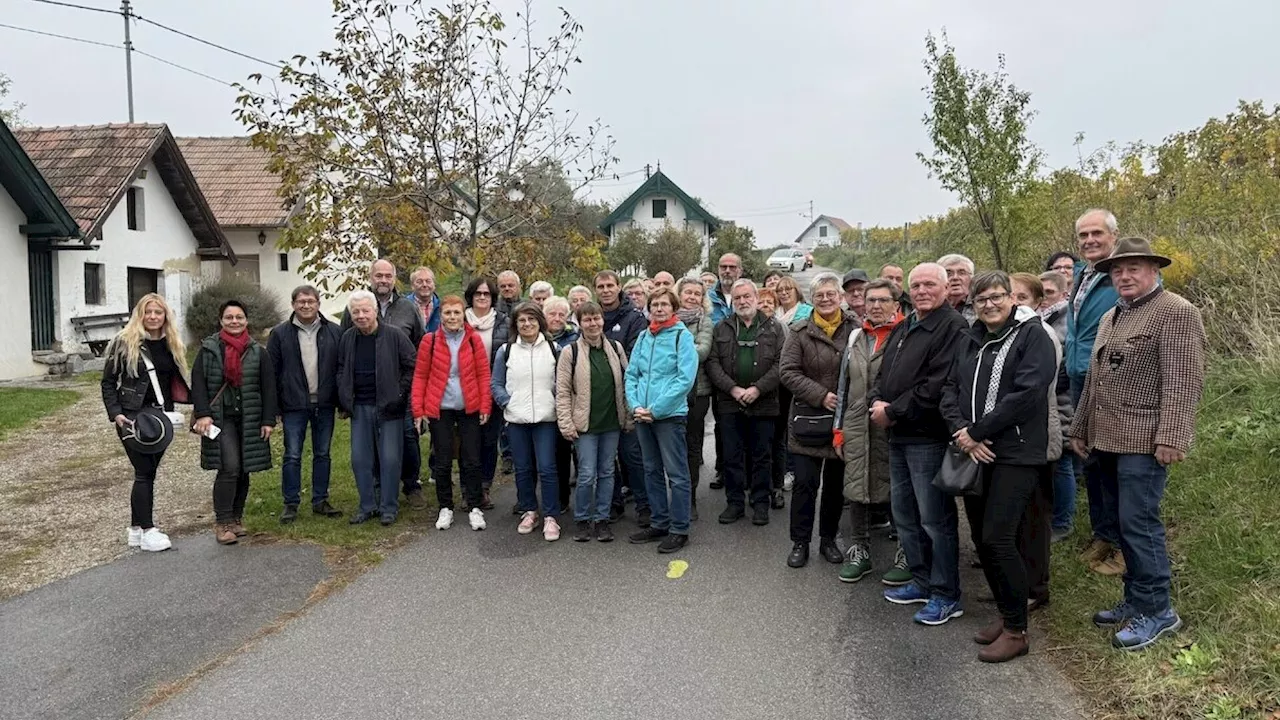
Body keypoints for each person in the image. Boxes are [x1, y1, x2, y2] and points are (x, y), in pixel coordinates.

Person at [1070, 237, 1206, 652]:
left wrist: (1172, 436)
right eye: (1117, 270)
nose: (1124, 276)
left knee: (1139, 523)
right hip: (1106, 438)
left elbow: (1184, 381)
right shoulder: (1112, 315)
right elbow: (1093, 380)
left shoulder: (1177, 312)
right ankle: (1136, 599)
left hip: (1145, 441)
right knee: (1120, 522)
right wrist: (1079, 427)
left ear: (1153, 271)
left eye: (1133, 269)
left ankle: (1160, 611)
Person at [940, 271, 1057, 662]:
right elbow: (950, 389)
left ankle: (1017, 631)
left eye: (996, 297)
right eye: (981, 299)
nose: (988, 304)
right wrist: (961, 432)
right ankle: (1008, 613)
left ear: (1011, 298)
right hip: (974, 450)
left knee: (998, 537)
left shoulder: (1032, 335)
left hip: (1015, 453)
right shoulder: (971, 337)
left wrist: (977, 431)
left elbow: (1027, 394)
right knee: (981, 537)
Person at [870, 263, 969, 625]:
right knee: (906, 517)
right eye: (917, 285)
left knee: (935, 520)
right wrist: (878, 401)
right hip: (898, 435)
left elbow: (938, 384)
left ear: (945, 288)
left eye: (930, 284)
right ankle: (922, 580)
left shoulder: (952, 327)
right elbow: (885, 373)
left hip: (927, 436)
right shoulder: (907, 324)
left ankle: (946, 594)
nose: (923, 290)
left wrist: (892, 411)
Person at [101, 293, 190, 552]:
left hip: (160, 419)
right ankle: (149, 530)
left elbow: (175, 381)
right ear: (140, 314)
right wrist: (116, 413)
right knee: (143, 472)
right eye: (148, 312)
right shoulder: (123, 342)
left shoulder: (170, 343)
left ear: (165, 316)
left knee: (148, 473)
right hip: (131, 416)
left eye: (158, 312)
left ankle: (136, 529)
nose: (153, 317)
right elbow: (108, 382)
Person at [834, 279, 907, 584]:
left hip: (893, 424)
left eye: (883, 300)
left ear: (896, 304)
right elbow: (843, 385)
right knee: (856, 486)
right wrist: (838, 428)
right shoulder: (855, 337)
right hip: (855, 421)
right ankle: (859, 549)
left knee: (897, 488)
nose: (876, 306)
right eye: (870, 300)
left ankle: (906, 552)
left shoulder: (906, 335)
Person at [781, 272, 856, 568]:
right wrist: (821, 395)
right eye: (820, 295)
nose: (826, 299)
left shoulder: (856, 329)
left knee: (836, 486)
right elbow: (787, 371)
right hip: (808, 420)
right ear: (812, 299)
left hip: (843, 420)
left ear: (840, 297)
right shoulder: (799, 331)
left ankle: (828, 539)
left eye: (831, 294)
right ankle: (800, 542)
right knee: (805, 484)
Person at [340, 259, 427, 509]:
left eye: (388, 276)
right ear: (371, 277)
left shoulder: (407, 308)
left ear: (394, 278)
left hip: (399, 390)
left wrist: (404, 388)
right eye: (378, 275)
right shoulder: (355, 307)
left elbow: (418, 345)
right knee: (368, 449)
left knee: (407, 438)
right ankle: (377, 489)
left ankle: (411, 486)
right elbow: (346, 351)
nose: (383, 280)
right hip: (365, 396)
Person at [1065, 209, 1124, 575]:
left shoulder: (1123, 274)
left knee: (1116, 463)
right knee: (1091, 460)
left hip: (1108, 377)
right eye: (1084, 235)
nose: (1089, 240)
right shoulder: (1081, 273)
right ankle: (1103, 534)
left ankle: (1122, 545)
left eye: (1096, 233)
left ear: (1113, 236)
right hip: (1077, 374)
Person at [192, 300, 278, 545]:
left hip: (249, 416)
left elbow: (268, 387)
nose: (234, 321)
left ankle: (237, 519)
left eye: (239, 317)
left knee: (244, 467)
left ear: (246, 320)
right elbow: (198, 383)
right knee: (229, 466)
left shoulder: (258, 351)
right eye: (229, 317)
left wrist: (268, 419)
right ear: (221, 321)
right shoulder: (209, 349)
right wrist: (202, 413)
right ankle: (223, 522)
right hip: (221, 418)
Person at [625, 288, 699, 553]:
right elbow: (632, 374)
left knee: (677, 474)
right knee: (651, 470)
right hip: (642, 415)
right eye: (654, 304)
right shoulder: (645, 336)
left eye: (664, 304)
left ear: (673, 308)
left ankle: (679, 529)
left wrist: (655, 409)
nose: (658, 308)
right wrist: (635, 405)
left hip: (669, 416)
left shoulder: (682, 337)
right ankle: (659, 522)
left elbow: (684, 379)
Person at [706, 279, 784, 526]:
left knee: (762, 456)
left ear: (756, 298)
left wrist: (758, 388)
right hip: (730, 403)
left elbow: (781, 363)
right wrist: (733, 388)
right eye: (737, 298)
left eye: (747, 296)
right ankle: (735, 503)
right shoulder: (722, 328)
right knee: (732, 454)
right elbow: (712, 363)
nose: (742, 301)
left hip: (765, 402)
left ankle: (760, 503)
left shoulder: (775, 328)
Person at [411, 295, 492, 532]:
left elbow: (483, 375)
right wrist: (419, 409)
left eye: (457, 313)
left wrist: (485, 405)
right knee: (443, 461)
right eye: (448, 313)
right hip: (441, 408)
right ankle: (445, 506)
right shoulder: (430, 341)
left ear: (463, 314)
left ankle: (475, 506)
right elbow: (421, 376)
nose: (452, 317)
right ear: (442, 316)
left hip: (469, 407)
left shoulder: (473, 340)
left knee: (472, 460)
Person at [267, 285, 344, 523]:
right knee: (292, 455)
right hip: (293, 405)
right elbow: (272, 372)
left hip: (325, 403)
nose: (306, 305)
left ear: (318, 304)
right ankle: (291, 503)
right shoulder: (279, 334)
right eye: (301, 302)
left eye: (311, 301)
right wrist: (275, 408)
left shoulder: (334, 331)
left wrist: (342, 402)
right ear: (293, 305)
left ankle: (320, 499)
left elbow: (341, 369)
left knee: (322, 453)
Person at [556, 301, 631, 543]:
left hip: (611, 422)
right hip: (585, 424)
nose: (593, 323)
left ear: (603, 320)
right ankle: (581, 519)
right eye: (587, 319)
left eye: (596, 318)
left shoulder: (616, 348)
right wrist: (566, 423)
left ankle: (602, 519)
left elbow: (627, 385)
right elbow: (563, 390)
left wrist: (628, 416)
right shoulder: (571, 352)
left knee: (607, 471)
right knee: (587, 474)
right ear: (579, 323)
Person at [1012, 273, 1075, 545]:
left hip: (1057, 402)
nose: (1015, 302)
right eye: (1010, 295)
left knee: (1060, 462)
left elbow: (1060, 368)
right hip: (1044, 404)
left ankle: (1061, 521)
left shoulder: (1051, 326)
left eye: (1021, 296)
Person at [492, 303, 563, 541]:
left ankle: (551, 515)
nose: (527, 324)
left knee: (547, 467)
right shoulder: (507, 350)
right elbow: (496, 383)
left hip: (546, 418)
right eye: (522, 320)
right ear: (515, 324)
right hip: (517, 419)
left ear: (540, 322)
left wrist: (555, 403)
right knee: (522, 468)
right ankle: (529, 510)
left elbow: (562, 383)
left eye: (532, 320)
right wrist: (507, 402)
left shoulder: (554, 348)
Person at [595, 269, 651, 525]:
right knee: (606, 458)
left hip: (627, 396)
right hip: (599, 398)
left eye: (610, 285)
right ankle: (614, 503)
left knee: (632, 455)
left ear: (619, 288)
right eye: (601, 286)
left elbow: (633, 358)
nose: (605, 290)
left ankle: (644, 505)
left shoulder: (635, 319)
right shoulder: (590, 316)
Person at [465, 276, 509, 509]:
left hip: (491, 388)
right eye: (478, 294)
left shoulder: (503, 322)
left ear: (493, 298)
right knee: (466, 442)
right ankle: (467, 489)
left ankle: (484, 487)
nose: (482, 298)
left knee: (489, 441)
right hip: (463, 390)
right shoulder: (458, 319)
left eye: (487, 294)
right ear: (470, 296)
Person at [675, 277, 714, 520]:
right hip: (669, 393)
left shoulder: (705, 321)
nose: (691, 297)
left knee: (691, 446)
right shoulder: (665, 318)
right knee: (670, 447)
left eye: (696, 294)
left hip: (697, 392)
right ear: (678, 294)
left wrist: (673, 350)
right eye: (687, 292)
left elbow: (702, 351)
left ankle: (689, 500)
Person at [545, 295, 580, 511]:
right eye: (552, 314)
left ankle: (562, 497)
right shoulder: (535, 337)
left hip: (566, 403)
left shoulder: (574, 339)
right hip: (541, 402)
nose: (557, 318)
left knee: (561, 452)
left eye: (561, 315)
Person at [757, 285, 788, 508]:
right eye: (761, 301)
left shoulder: (783, 328)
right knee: (759, 446)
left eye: (769, 302)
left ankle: (776, 487)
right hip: (756, 396)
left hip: (780, 394)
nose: (765, 305)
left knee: (777, 442)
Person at [938, 254, 976, 323]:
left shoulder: (980, 304)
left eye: (962, 273)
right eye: (948, 274)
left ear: (971, 278)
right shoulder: (931, 305)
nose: (955, 277)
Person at [708, 253, 742, 324]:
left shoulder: (749, 297)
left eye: (732, 267)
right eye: (723, 267)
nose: (727, 271)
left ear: (740, 271)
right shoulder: (707, 297)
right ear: (718, 270)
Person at [1038, 271, 1070, 341]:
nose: (1043, 297)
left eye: (1049, 292)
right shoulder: (1028, 314)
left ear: (1063, 295)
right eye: (1039, 292)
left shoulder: (1068, 320)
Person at [408, 266, 442, 333]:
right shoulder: (404, 306)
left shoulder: (442, 307)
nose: (424, 285)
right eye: (419, 282)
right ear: (412, 286)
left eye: (428, 281)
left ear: (434, 285)